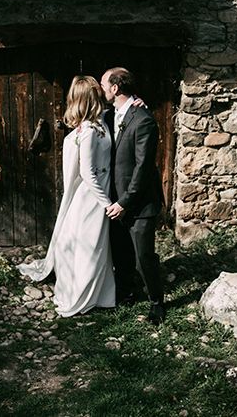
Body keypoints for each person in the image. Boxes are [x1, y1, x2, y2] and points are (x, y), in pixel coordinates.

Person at [17, 75, 115, 316]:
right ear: (91, 98)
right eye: (97, 92)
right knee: (90, 247)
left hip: (96, 193)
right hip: (93, 197)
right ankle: (81, 295)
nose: (102, 94)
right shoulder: (90, 130)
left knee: (95, 246)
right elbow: (87, 172)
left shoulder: (96, 122)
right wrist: (108, 203)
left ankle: (100, 295)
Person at [101, 67, 166, 324]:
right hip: (115, 200)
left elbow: (143, 168)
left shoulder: (144, 120)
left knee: (144, 257)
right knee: (121, 253)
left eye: (104, 83)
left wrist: (125, 202)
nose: (101, 88)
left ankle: (157, 303)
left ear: (115, 88)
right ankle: (126, 293)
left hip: (139, 203)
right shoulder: (108, 116)